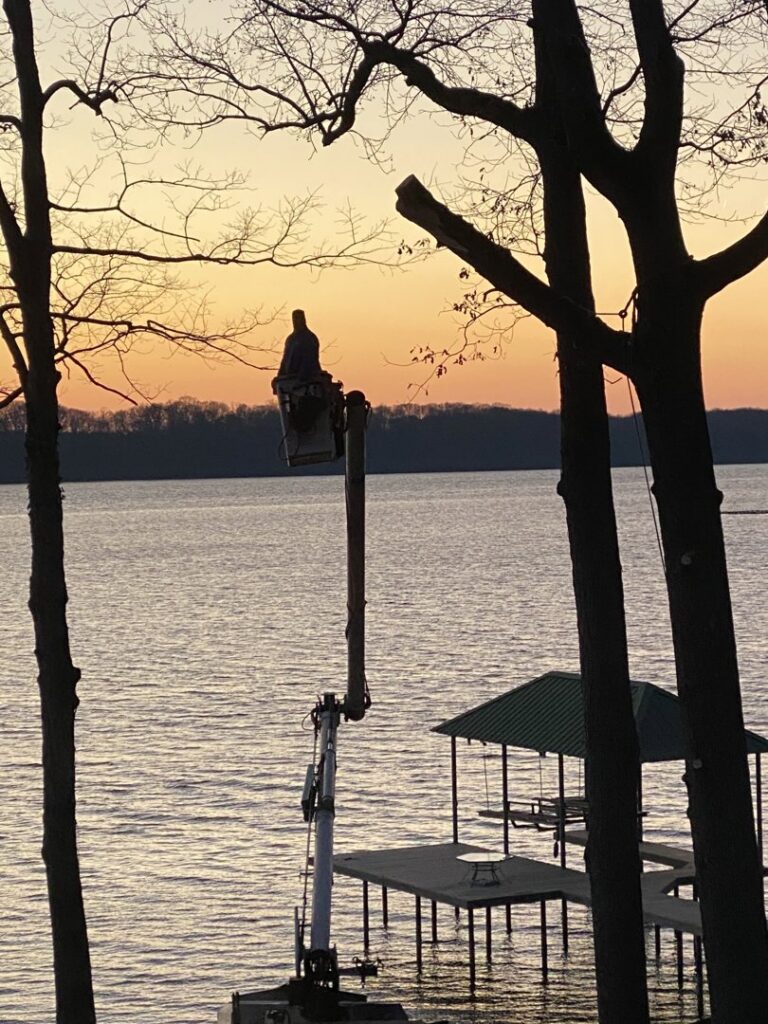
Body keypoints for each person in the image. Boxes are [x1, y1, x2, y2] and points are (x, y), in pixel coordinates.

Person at [276, 309, 322, 380]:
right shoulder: (290, 339)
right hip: (290, 378)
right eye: (295, 318)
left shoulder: (310, 338)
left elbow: (309, 360)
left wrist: (301, 377)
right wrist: (279, 377)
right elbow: (285, 360)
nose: (296, 321)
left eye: (299, 318)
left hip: (307, 379)